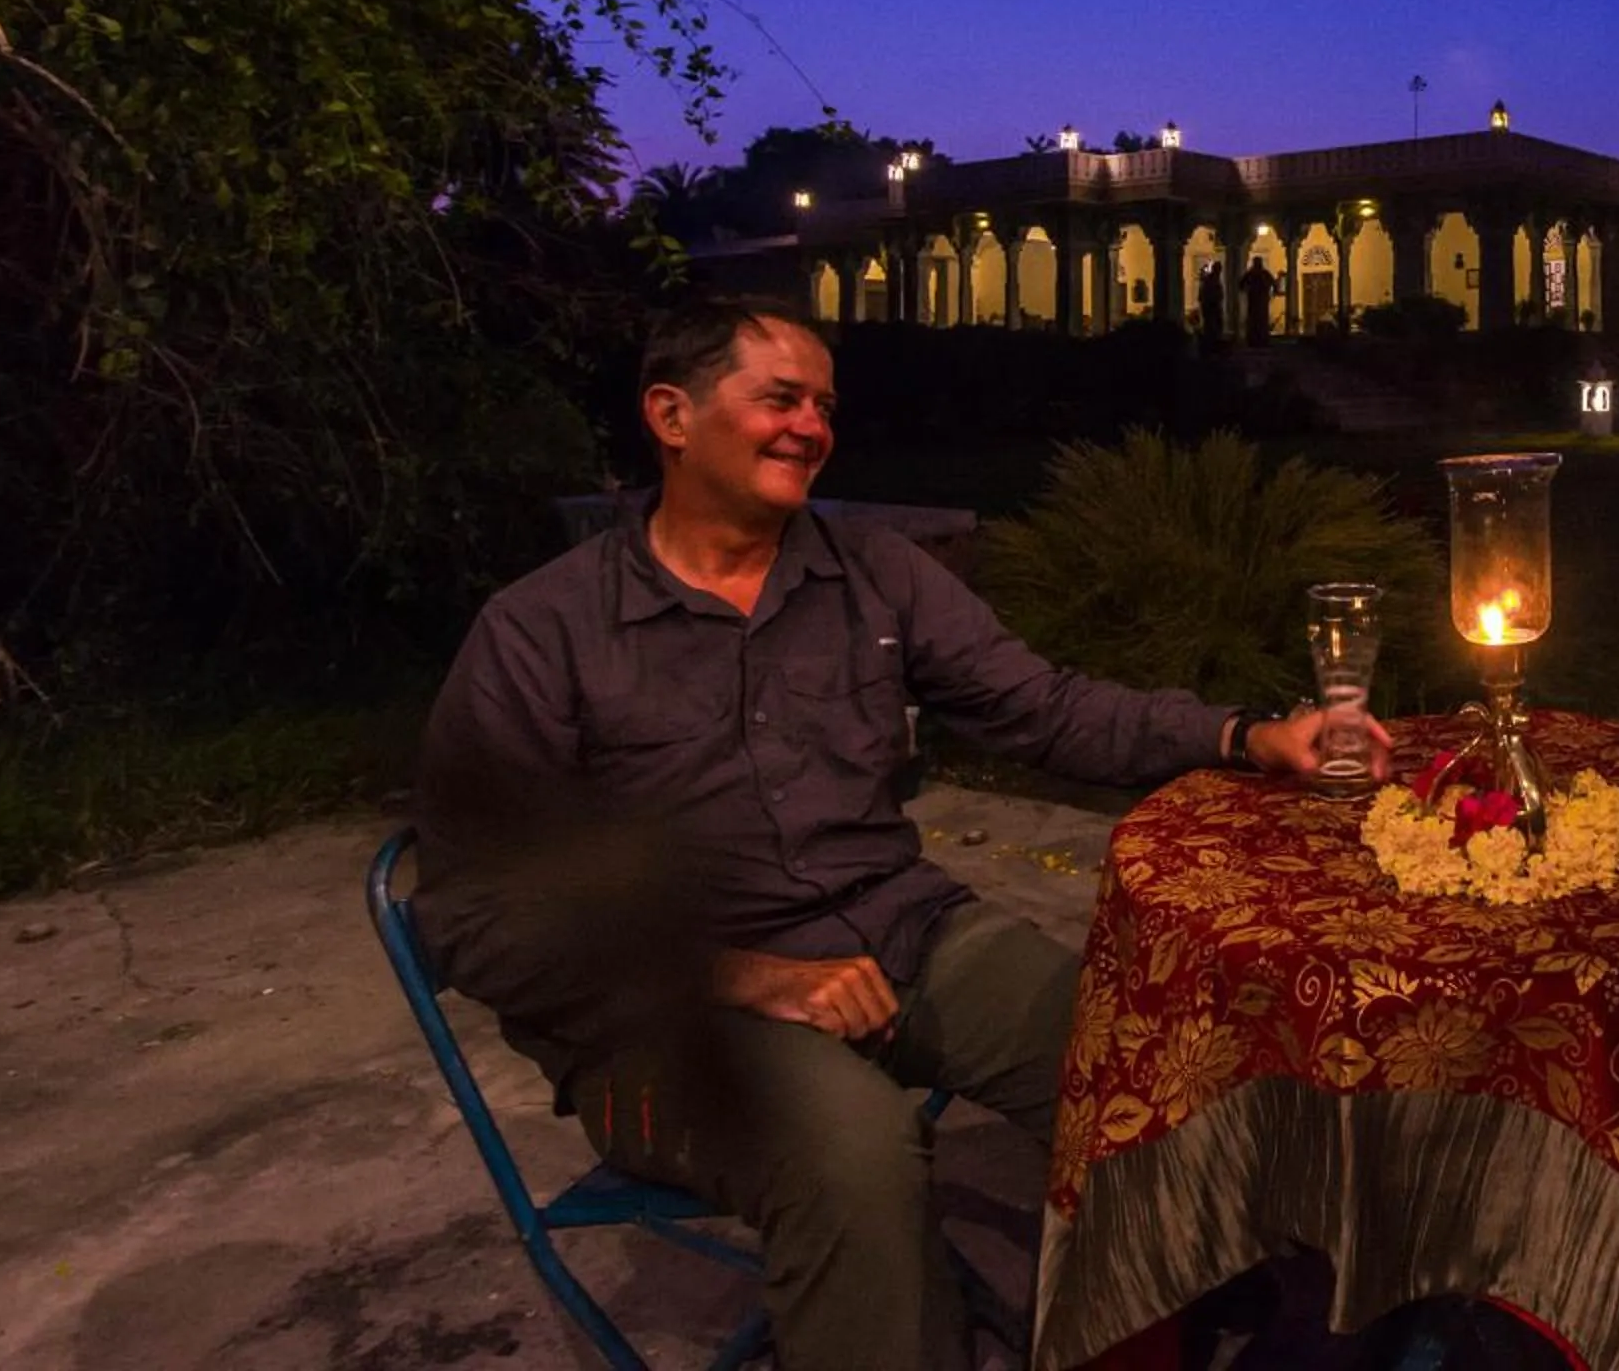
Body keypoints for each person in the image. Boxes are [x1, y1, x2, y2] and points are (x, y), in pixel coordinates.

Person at [414, 296, 1378, 1371]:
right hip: (671, 1021)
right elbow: (474, 910)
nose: (811, 426)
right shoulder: (542, 631)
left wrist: (1247, 732)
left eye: (824, 405)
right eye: (779, 397)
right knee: (853, 1152)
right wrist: (742, 975)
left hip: (897, 929)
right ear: (671, 415)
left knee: (1135, 1038)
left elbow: (1045, 704)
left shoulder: (871, 570)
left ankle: (1194, 1303)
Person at [1238, 254, 1278, 347]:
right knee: (1255, 321)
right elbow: (1241, 285)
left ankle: (1260, 339)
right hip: (1255, 300)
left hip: (1261, 300)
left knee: (1260, 320)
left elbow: (1273, 283)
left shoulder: (1262, 273)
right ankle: (1255, 339)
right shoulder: (1253, 274)